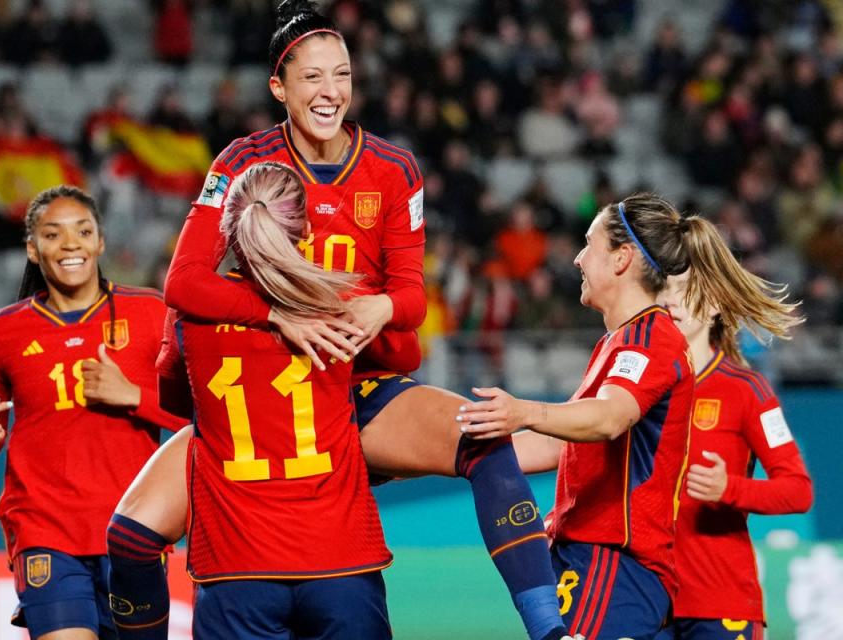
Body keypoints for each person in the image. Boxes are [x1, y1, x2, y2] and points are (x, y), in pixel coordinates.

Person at [105, 3, 567, 640]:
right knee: (131, 532)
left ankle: (549, 628)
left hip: (357, 388)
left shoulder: (394, 169)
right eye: (313, 78)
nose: (331, 93)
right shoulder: (243, 161)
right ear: (279, 87)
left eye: (342, 75)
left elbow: (407, 299)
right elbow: (184, 283)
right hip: (266, 397)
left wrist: (380, 308)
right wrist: (281, 316)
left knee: (486, 444)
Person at [458, 193, 748, 639]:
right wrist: (456, 453)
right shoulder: (620, 344)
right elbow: (563, 443)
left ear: (621, 259)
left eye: (588, 244)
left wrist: (523, 411)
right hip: (597, 563)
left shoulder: (653, 340)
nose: (576, 258)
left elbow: (609, 417)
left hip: (612, 564)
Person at [158, 161, 393, 639]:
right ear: (306, 230)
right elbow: (404, 352)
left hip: (235, 565)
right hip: (340, 556)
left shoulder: (189, 321)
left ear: (228, 232)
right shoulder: (342, 303)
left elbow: (172, 399)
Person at [0, 185, 186, 640]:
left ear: (100, 241)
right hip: (45, 532)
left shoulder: (149, 313)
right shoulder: (2, 332)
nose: (70, 245)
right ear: (32, 247)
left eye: (83, 231)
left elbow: (200, 419)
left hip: (133, 533)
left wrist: (133, 396)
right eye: (53, 234)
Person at [655, 272, 812, 640]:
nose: (670, 300)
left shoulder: (746, 389)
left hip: (719, 604)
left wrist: (730, 488)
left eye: (684, 291)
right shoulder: (639, 389)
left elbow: (798, 490)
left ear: (713, 309)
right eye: (663, 290)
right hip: (647, 602)